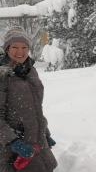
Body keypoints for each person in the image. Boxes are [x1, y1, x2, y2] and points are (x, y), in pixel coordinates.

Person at [0, 27, 57, 172]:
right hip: (12, 149)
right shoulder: (2, 75)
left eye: (24, 47)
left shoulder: (30, 70)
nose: (20, 52)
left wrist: (45, 132)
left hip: (37, 142)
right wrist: (13, 141)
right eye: (15, 47)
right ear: (7, 48)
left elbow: (36, 107)